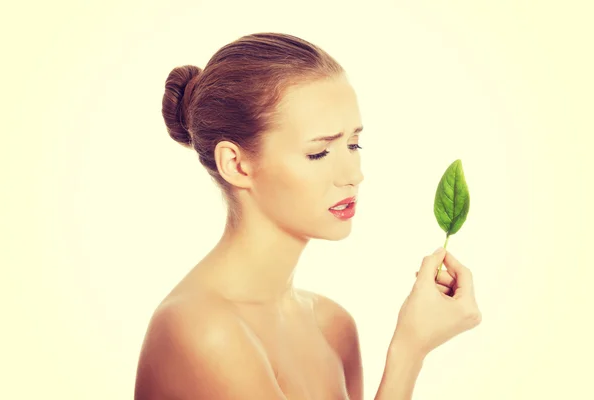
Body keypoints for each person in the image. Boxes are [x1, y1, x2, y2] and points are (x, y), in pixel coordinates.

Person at [134, 32, 482, 400]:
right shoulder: (200, 330)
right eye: (319, 152)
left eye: (353, 144)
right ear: (236, 164)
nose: (353, 175)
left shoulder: (333, 326)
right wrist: (409, 351)